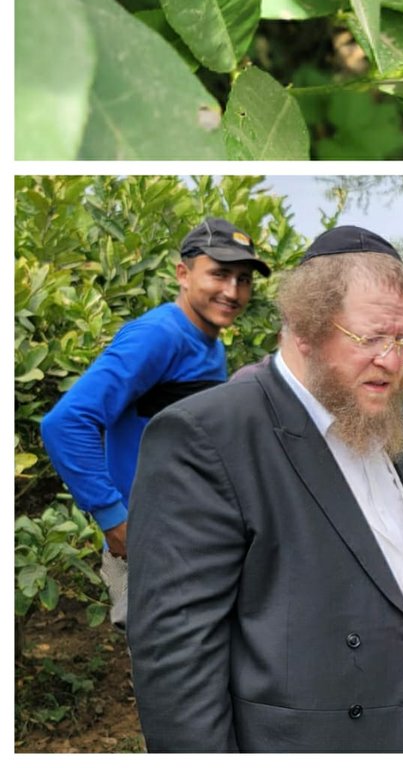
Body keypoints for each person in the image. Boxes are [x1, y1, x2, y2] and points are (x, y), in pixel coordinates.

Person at [126, 225, 403, 754]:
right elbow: (177, 661)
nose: (393, 361)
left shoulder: (366, 419)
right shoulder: (208, 435)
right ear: (305, 328)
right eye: (371, 338)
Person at [40, 217, 270, 628]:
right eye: (219, 273)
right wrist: (116, 521)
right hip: (156, 548)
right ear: (183, 273)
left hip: (188, 543)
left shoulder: (207, 343)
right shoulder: (159, 335)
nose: (233, 291)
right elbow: (66, 423)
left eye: (243, 279)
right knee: (172, 677)